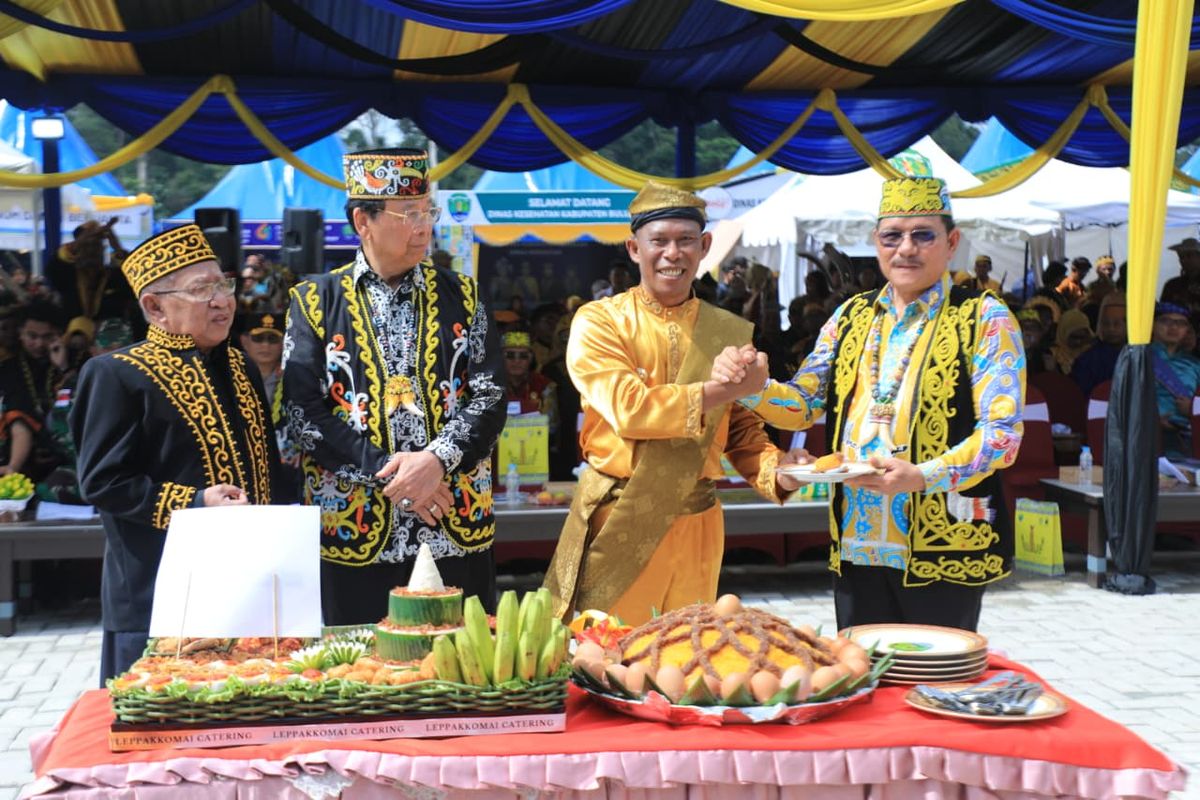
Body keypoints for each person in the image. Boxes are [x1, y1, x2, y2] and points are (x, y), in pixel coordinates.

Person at [712, 177, 1025, 632]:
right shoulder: (852, 316)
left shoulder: (983, 317)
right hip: (857, 543)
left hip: (943, 542)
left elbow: (1002, 436)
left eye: (923, 235)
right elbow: (802, 404)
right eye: (892, 236)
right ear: (876, 242)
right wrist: (754, 388)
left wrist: (923, 476)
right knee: (861, 682)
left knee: (932, 682)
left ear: (951, 242)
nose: (906, 249)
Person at [542, 182, 802, 626]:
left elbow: (738, 432)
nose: (672, 253)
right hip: (620, 515)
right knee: (605, 653)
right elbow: (631, 408)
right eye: (658, 241)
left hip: (699, 523)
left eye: (685, 241)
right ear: (633, 248)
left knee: (685, 653)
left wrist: (780, 471)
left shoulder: (727, 330)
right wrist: (726, 389)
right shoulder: (600, 322)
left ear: (704, 248)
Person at [282, 148, 507, 625]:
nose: (424, 226)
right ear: (364, 221)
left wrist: (435, 461)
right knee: (358, 673)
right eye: (410, 215)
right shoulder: (313, 300)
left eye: (428, 212)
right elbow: (303, 412)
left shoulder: (464, 295)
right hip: (354, 526)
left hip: (452, 520)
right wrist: (395, 477)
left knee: (460, 670)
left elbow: (489, 396)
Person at [70, 224, 280, 683]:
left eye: (223, 284)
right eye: (201, 289)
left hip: (248, 584)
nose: (222, 300)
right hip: (158, 590)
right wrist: (195, 502)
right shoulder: (115, 374)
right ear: (154, 307)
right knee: (159, 733)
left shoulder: (240, 364)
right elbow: (104, 483)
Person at [0, 303, 67, 481]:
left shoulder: (73, 360)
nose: (39, 343)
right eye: (32, 336)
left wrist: (62, 368)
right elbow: (17, 415)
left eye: (47, 337)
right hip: (20, 453)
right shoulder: (8, 368)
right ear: (20, 333)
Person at [44, 219, 136, 324]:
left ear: (102, 250)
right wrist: (82, 239)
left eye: (96, 246)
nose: (91, 251)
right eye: (86, 246)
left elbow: (133, 276)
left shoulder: (114, 277)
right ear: (77, 250)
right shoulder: (67, 275)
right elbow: (54, 266)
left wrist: (117, 247)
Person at [1150, 302, 1200, 455]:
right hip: (1146, 438)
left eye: (1180, 323)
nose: (1173, 327)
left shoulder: (1195, 365)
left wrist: (1191, 410)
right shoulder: (1138, 359)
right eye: (1166, 321)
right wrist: (1151, 419)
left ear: (1187, 330)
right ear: (1153, 325)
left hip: (1186, 442)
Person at [1072, 292, 1126, 397]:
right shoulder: (1087, 360)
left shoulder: (1138, 356)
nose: (1111, 329)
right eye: (1106, 324)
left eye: (1117, 324)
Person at [502, 330, 557, 423]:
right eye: (510, 355)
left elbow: (552, 426)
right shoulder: (489, 385)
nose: (517, 361)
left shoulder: (544, 385)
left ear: (531, 358)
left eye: (523, 356)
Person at [239, 311, 285, 406]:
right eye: (258, 338)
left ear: (283, 343)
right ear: (244, 341)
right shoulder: (233, 375)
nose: (265, 345)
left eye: (273, 338)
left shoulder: (291, 377)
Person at [1049, 308, 1094, 376]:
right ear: (1063, 334)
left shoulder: (1093, 355)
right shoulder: (1052, 356)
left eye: (1082, 337)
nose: (1078, 342)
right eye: (1073, 337)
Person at [1161, 237, 1200, 312]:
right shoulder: (1172, 285)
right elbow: (1163, 311)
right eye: (1181, 257)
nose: (1184, 260)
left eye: (1189, 255)